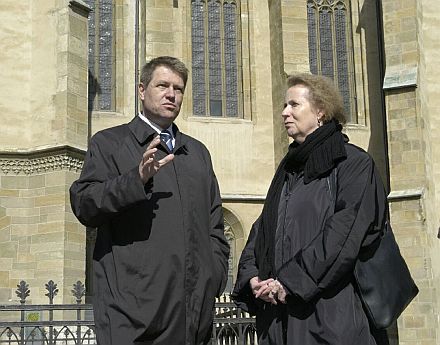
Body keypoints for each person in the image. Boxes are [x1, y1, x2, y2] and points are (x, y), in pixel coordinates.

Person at [70, 56, 229, 345]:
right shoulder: (110, 143)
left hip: (192, 315)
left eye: (178, 89)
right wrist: (135, 180)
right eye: (163, 85)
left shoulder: (196, 153)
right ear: (142, 91)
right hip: (133, 314)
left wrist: (212, 277)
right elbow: (84, 205)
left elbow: (215, 225)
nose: (172, 94)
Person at [232, 73, 390, 345]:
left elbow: (342, 238)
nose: (284, 113)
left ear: (321, 111)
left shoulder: (352, 164)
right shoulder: (288, 169)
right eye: (284, 105)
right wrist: (252, 276)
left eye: (294, 105)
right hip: (279, 322)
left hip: (331, 321)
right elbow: (262, 231)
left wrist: (289, 283)